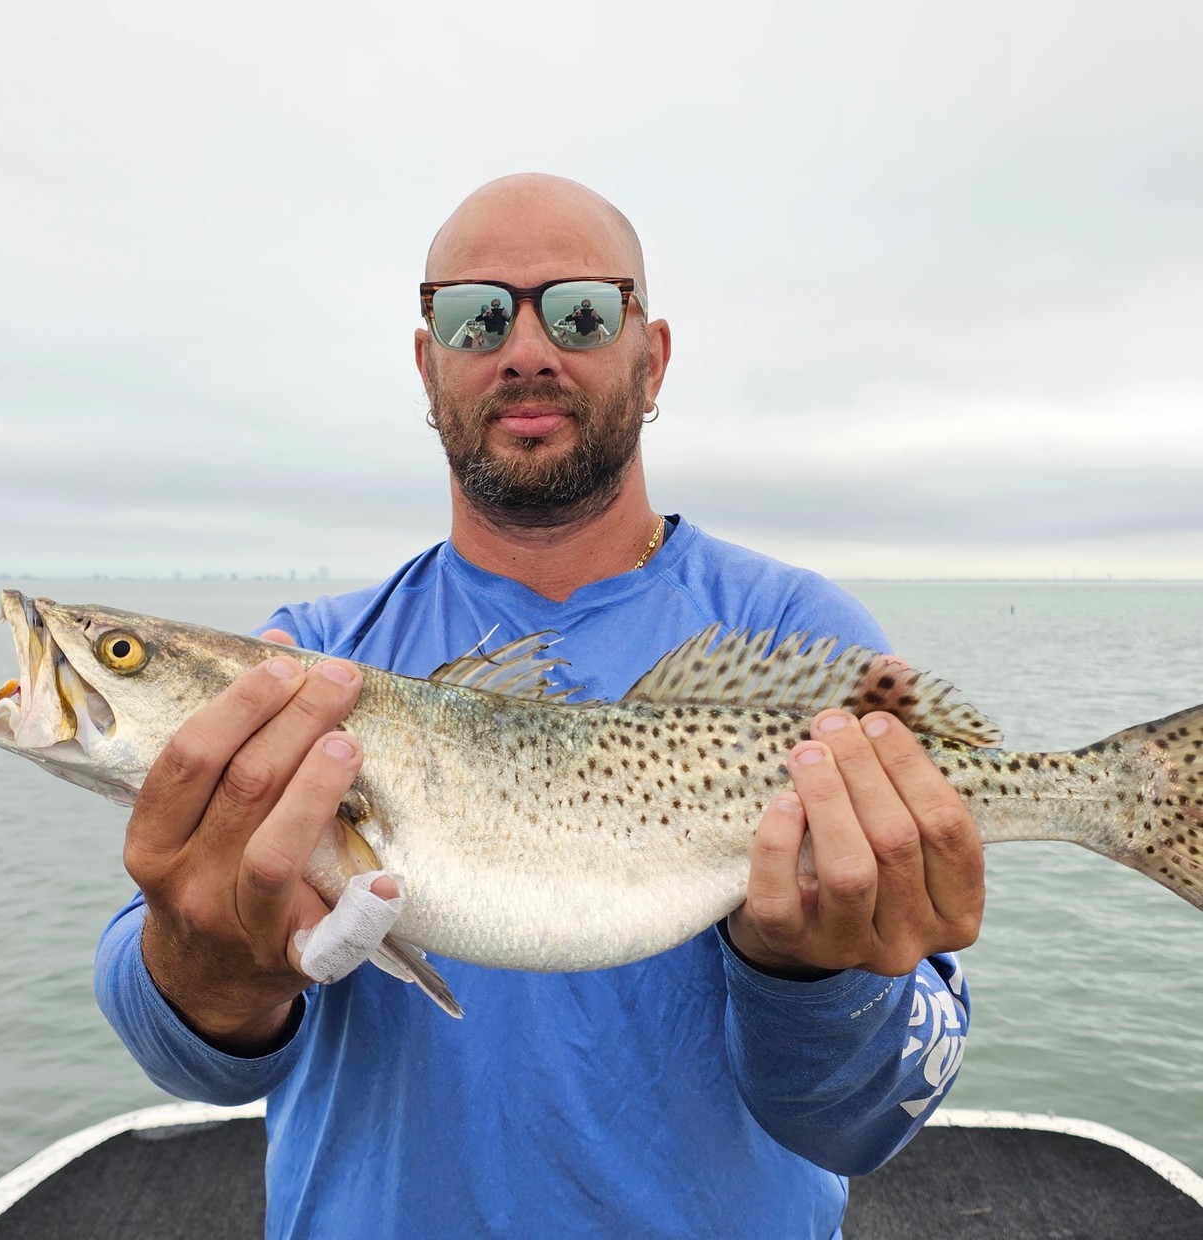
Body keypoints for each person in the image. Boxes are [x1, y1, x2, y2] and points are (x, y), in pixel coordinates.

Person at [96, 173, 983, 1240]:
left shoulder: (799, 633)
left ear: (652, 358)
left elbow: (870, 1120)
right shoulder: (310, 659)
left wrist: (810, 974)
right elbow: (185, 1058)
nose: (525, 350)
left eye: (581, 313)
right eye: (476, 315)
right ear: (427, 363)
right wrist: (209, 970)